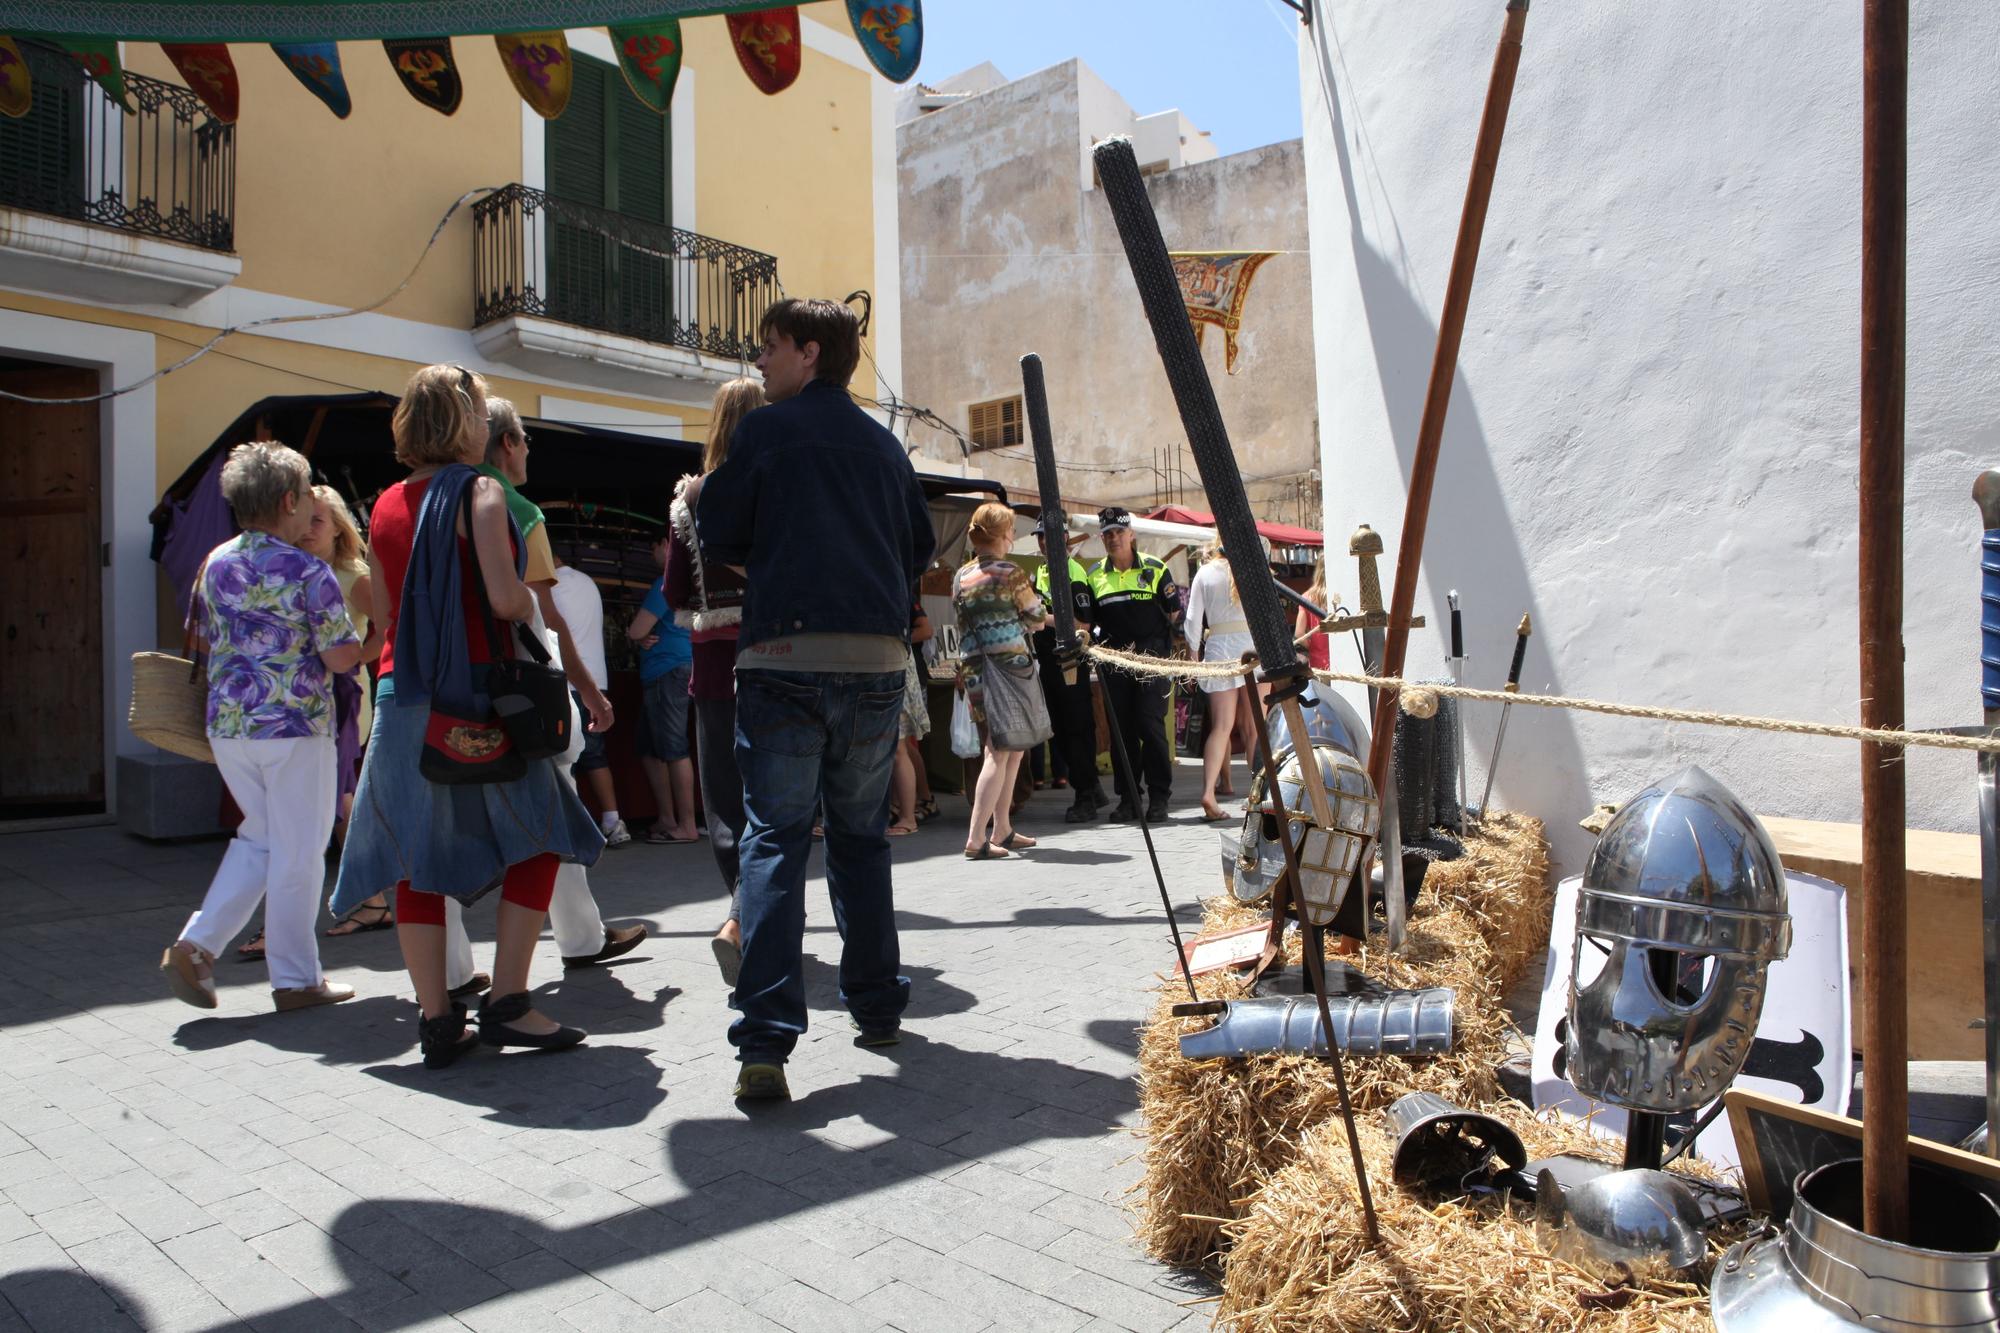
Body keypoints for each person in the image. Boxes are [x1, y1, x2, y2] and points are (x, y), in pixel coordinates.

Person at [329, 364, 603, 1069]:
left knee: (414, 861)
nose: (486, 424)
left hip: (401, 695)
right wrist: (527, 611)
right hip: (478, 693)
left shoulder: (386, 504)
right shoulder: (483, 491)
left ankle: (437, 1020)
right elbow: (507, 596)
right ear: (463, 421)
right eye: (480, 411)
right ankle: (510, 999)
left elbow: (384, 614)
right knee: (542, 834)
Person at [696, 296, 934, 1102]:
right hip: (873, 663)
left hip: (783, 658)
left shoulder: (765, 431)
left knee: (775, 840)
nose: (758, 362)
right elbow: (918, 548)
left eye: (768, 347)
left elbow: (718, 528)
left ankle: (764, 1041)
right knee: (861, 839)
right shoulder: (884, 445)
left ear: (807, 351)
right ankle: (876, 1007)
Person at [160, 442, 374, 1013]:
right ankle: (297, 979)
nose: (311, 505)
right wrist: (376, 640)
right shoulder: (310, 571)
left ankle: (199, 946)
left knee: (262, 837)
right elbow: (340, 659)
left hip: (230, 725)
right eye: (307, 494)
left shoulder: (217, 561)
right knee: (299, 852)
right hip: (295, 726)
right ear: (287, 501)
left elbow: (204, 640)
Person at [444, 399, 645, 981]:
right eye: (525, 439)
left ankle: (457, 971)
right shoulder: (518, 510)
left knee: (456, 826)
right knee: (551, 810)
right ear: (505, 443)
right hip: (519, 688)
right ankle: (568, 946)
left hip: (451, 685)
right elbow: (545, 619)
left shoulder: (435, 504)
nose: (529, 449)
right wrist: (591, 691)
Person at [665, 375, 761, 983]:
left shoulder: (689, 499)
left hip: (711, 667)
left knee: (725, 805)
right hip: (774, 657)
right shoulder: (773, 488)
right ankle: (746, 917)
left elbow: (675, 590)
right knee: (774, 799)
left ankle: (742, 916)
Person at [954, 503, 1053, 859]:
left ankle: (1003, 828)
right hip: (1010, 669)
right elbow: (1037, 617)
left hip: (976, 670)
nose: (1014, 536)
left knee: (1009, 749)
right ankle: (977, 837)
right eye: (1011, 529)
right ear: (1001, 535)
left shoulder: (961, 576)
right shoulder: (1009, 572)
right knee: (999, 751)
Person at [1087, 506, 1182, 823]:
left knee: (1149, 725)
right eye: (1108, 534)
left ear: (1131, 535)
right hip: (1114, 662)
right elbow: (1090, 622)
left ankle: (1159, 798)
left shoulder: (1155, 569)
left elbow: (1173, 613)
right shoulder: (1094, 575)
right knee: (1121, 732)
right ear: (1102, 538)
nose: (1114, 539)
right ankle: (1128, 798)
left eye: (1119, 532)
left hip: (1151, 659)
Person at [1186, 538, 1271, 822]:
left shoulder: (1205, 573)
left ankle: (1209, 791)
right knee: (1254, 728)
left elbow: (1192, 621)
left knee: (1221, 727)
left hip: (1219, 648)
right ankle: (1259, 795)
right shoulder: (1253, 569)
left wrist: (1193, 656)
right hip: (1253, 647)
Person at [549, 549, 628, 845]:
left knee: (564, 756)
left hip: (569, 679)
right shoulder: (587, 582)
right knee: (595, 754)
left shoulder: (550, 585)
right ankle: (612, 820)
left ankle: (573, 828)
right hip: (597, 677)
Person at [627, 532, 699, 844]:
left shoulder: (665, 584)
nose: (651, 551)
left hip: (667, 670)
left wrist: (638, 635)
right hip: (676, 666)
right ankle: (668, 819)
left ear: (669, 545)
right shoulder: (692, 582)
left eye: (654, 544)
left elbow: (636, 629)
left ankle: (686, 825)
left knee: (672, 748)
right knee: (651, 746)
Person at [1032, 548, 1107, 824]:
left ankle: (1085, 795)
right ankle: (1090, 788)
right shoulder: (1040, 572)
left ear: (1062, 538)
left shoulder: (1073, 572)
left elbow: (1082, 623)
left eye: (1046, 535)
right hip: (1048, 662)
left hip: (1070, 662)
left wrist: (1042, 620)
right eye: (1039, 536)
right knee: (1059, 731)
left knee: (1077, 729)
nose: (1043, 541)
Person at [887, 600, 934, 837]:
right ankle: (903, 807)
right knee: (900, 748)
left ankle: (909, 813)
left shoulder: (900, 597)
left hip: (896, 673)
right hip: (891, 672)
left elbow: (926, 629)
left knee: (900, 748)